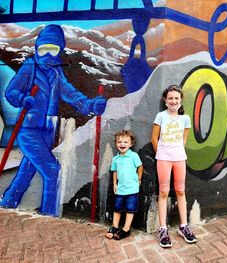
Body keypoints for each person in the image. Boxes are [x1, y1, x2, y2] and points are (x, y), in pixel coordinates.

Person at [0, 24, 106, 216]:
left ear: (60, 51)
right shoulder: (30, 67)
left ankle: (8, 202)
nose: (47, 55)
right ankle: (49, 214)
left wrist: (91, 105)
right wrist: (23, 98)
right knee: (52, 170)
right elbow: (11, 92)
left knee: (26, 172)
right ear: (37, 48)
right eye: (43, 49)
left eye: (53, 49)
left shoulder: (57, 72)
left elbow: (71, 95)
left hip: (48, 131)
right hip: (29, 129)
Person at [151, 84, 197, 248]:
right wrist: (162, 154)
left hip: (179, 158)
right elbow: (154, 139)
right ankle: (163, 229)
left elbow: (184, 139)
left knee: (180, 190)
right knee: (163, 192)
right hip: (163, 159)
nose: (173, 101)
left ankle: (183, 226)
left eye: (176, 98)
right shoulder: (161, 116)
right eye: (170, 98)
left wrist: (177, 151)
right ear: (165, 100)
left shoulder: (185, 119)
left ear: (181, 100)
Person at [105, 130, 143, 240]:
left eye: (126, 142)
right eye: (119, 142)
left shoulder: (133, 156)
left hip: (132, 189)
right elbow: (114, 171)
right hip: (120, 189)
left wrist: (139, 179)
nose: (122, 144)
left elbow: (140, 167)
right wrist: (114, 184)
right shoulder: (115, 159)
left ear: (131, 144)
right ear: (116, 143)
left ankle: (126, 228)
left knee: (130, 209)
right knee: (117, 208)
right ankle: (114, 226)